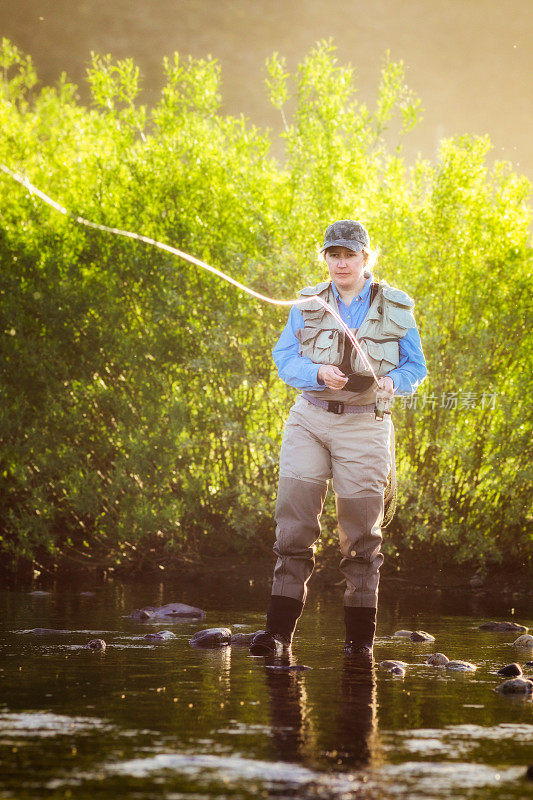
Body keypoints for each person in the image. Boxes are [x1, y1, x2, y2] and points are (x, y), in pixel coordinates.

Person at [250, 220, 427, 657]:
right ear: (325, 258)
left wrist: (394, 383)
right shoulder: (306, 303)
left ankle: (359, 645)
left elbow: (415, 369)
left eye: (350, 255)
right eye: (334, 254)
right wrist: (315, 373)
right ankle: (277, 635)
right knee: (293, 528)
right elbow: (283, 357)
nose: (341, 262)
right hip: (309, 419)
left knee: (361, 537)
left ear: (367, 259)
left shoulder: (398, 307)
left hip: (366, 425)